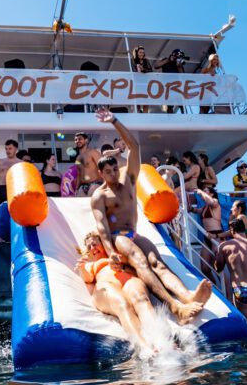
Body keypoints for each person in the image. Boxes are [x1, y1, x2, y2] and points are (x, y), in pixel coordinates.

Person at [90, 107, 211, 324]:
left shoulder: (129, 179)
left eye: (115, 169)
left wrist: (114, 121)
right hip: (118, 237)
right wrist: (110, 252)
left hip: (134, 233)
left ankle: (187, 296)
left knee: (158, 262)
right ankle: (175, 308)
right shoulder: (99, 196)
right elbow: (102, 228)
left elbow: (134, 147)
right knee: (141, 262)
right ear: (101, 174)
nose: (113, 174)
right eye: (108, 172)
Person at [76, 232, 159, 352]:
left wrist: (122, 266)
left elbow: (137, 266)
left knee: (141, 299)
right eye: (89, 247)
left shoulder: (117, 254)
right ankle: (144, 347)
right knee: (123, 305)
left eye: (95, 244)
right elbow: (88, 278)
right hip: (107, 285)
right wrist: (82, 268)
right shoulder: (92, 264)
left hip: (128, 281)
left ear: (103, 244)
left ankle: (161, 341)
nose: (93, 248)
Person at [191, 187, 222, 278]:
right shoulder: (205, 207)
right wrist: (190, 208)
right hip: (207, 237)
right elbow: (197, 211)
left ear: (211, 194)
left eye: (205, 191)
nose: (203, 193)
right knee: (205, 268)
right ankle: (215, 288)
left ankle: (226, 291)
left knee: (218, 268)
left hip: (216, 235)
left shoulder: (215, 201)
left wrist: (200, 191)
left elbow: (211, 202)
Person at [0, 139, 21, 207]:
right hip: (0, 189)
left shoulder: (21, 163)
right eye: (6, 149)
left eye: (10, 148)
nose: (7, 151)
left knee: (12, 214)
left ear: (16, 149)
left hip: (14, 190)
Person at [74, 132, 101, 197]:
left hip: (95, 184)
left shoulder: (93, 152)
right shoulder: (78, 158)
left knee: (90, 205)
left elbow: (102, 167)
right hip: (83, 186)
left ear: (86, 140)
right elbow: (79, 174)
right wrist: (77, 189)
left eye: (80, 139)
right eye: (76, 140)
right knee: (80, 205)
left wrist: (106, 185)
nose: (77, 141)